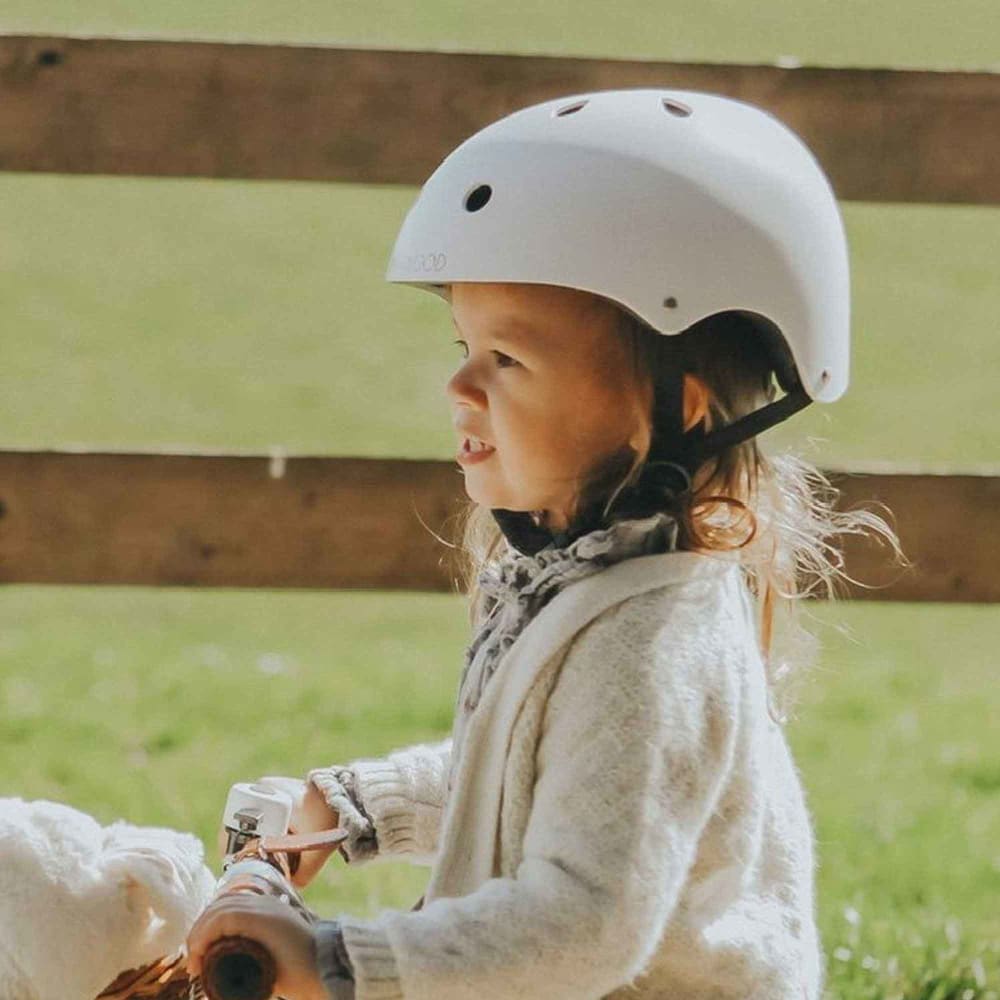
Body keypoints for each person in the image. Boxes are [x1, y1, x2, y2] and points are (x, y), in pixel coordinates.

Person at [186, 88, 905, 999]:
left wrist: (341, 963)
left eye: (508, 359)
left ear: (667, 409)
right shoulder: (591, 585)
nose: (458, 385)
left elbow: (583, 923)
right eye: (463, 344)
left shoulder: (653, 640)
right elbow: (542, 783)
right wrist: (356, 807)